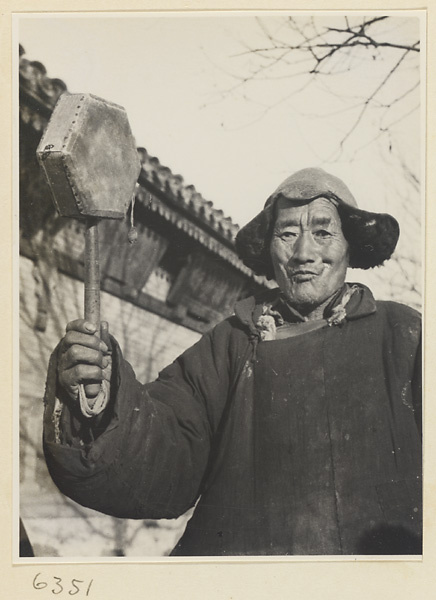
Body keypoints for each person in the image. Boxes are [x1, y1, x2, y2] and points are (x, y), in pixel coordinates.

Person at [43, 168, 422, 556]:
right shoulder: (230, 344)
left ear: (349, 246)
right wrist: (104, 398)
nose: (304, 252)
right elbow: (169, 448)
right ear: (269, 249)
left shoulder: (403, 336)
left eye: (323, 233)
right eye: (287, 233)